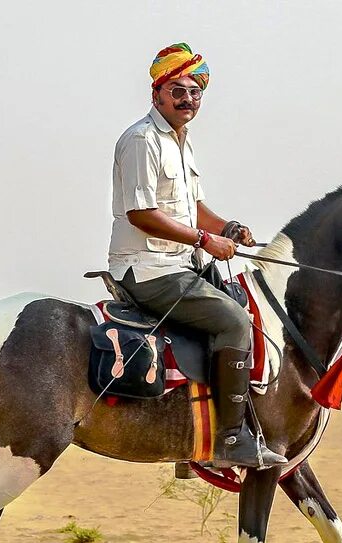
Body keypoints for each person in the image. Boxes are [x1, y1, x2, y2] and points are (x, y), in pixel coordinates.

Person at [107, 42, 286, 469]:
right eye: (177, 90)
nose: (188, 99)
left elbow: (194, 209)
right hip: (147, 268)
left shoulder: (182, 143)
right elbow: (142, 214)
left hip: (179, 264)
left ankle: (195, 432)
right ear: (157, 95)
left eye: (195, 92)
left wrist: (226, 228)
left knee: (247, 305)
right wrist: (204, 241)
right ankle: (229, 438)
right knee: (232, 320)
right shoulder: (141, 140)